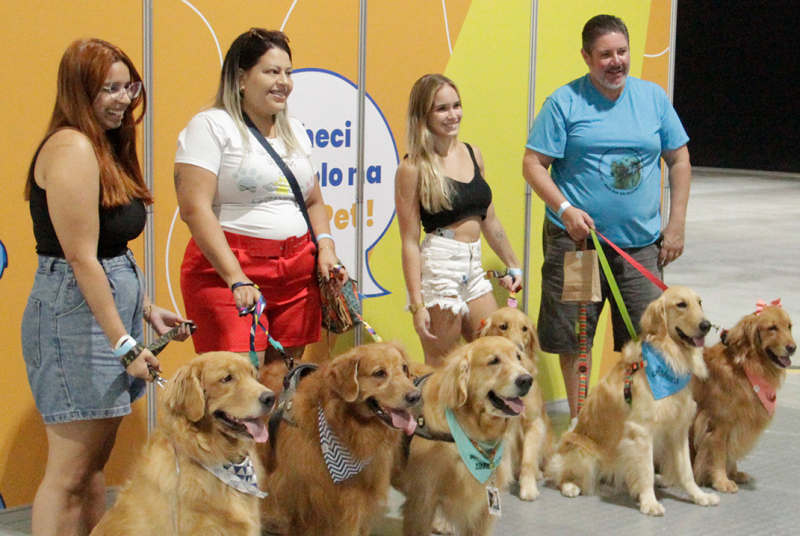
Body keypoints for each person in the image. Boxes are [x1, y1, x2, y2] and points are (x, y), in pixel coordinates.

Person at [21, 38, 191, 536]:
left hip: (101, 315)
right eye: (108, 89)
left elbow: (107, 255)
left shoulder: (102, 145)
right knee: (69, 475)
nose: (122, 99)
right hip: (73, 324)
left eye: (127, 86)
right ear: (79, 91)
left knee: (92, 470)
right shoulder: (72, 147)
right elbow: (79, 258)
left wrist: (145, 309)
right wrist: (125, 345)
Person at [522, 14, 692, 420]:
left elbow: (680, 159)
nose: (615, 62)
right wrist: (565, 210)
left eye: (622, 52)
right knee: (576, 340)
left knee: (652, 339)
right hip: (579, 246)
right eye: (604, 55)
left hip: (639, 248)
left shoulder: (652, 99)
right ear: (586, 57)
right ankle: (584, 428)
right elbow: (532, 163)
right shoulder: (564, 102)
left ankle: (641, 428)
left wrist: (676, 224)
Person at [175, 29, 346, 390]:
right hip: (228, 275)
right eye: (271, 72)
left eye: (288, 72)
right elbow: (194, 208)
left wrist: (326, 248)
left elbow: (313, 199)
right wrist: (235, 276)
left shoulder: (295, 131)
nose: (284, 82)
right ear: (239, 78)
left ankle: (274, 450)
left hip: (298, 273)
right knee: (232, 390)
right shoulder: (210, 126)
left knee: (284, 387)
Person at [396, 74, 523, 366]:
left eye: (456, 105)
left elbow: (489, 219)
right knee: (443, 363)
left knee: (496, 353)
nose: (453, 115)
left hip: (473, 265)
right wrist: (417, 305)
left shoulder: (472, 153)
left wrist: (513, 264)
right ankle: (433, 414)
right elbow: (409, 241)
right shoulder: (413, 167)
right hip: (440, 265)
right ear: (423, 115)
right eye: (442, 109)